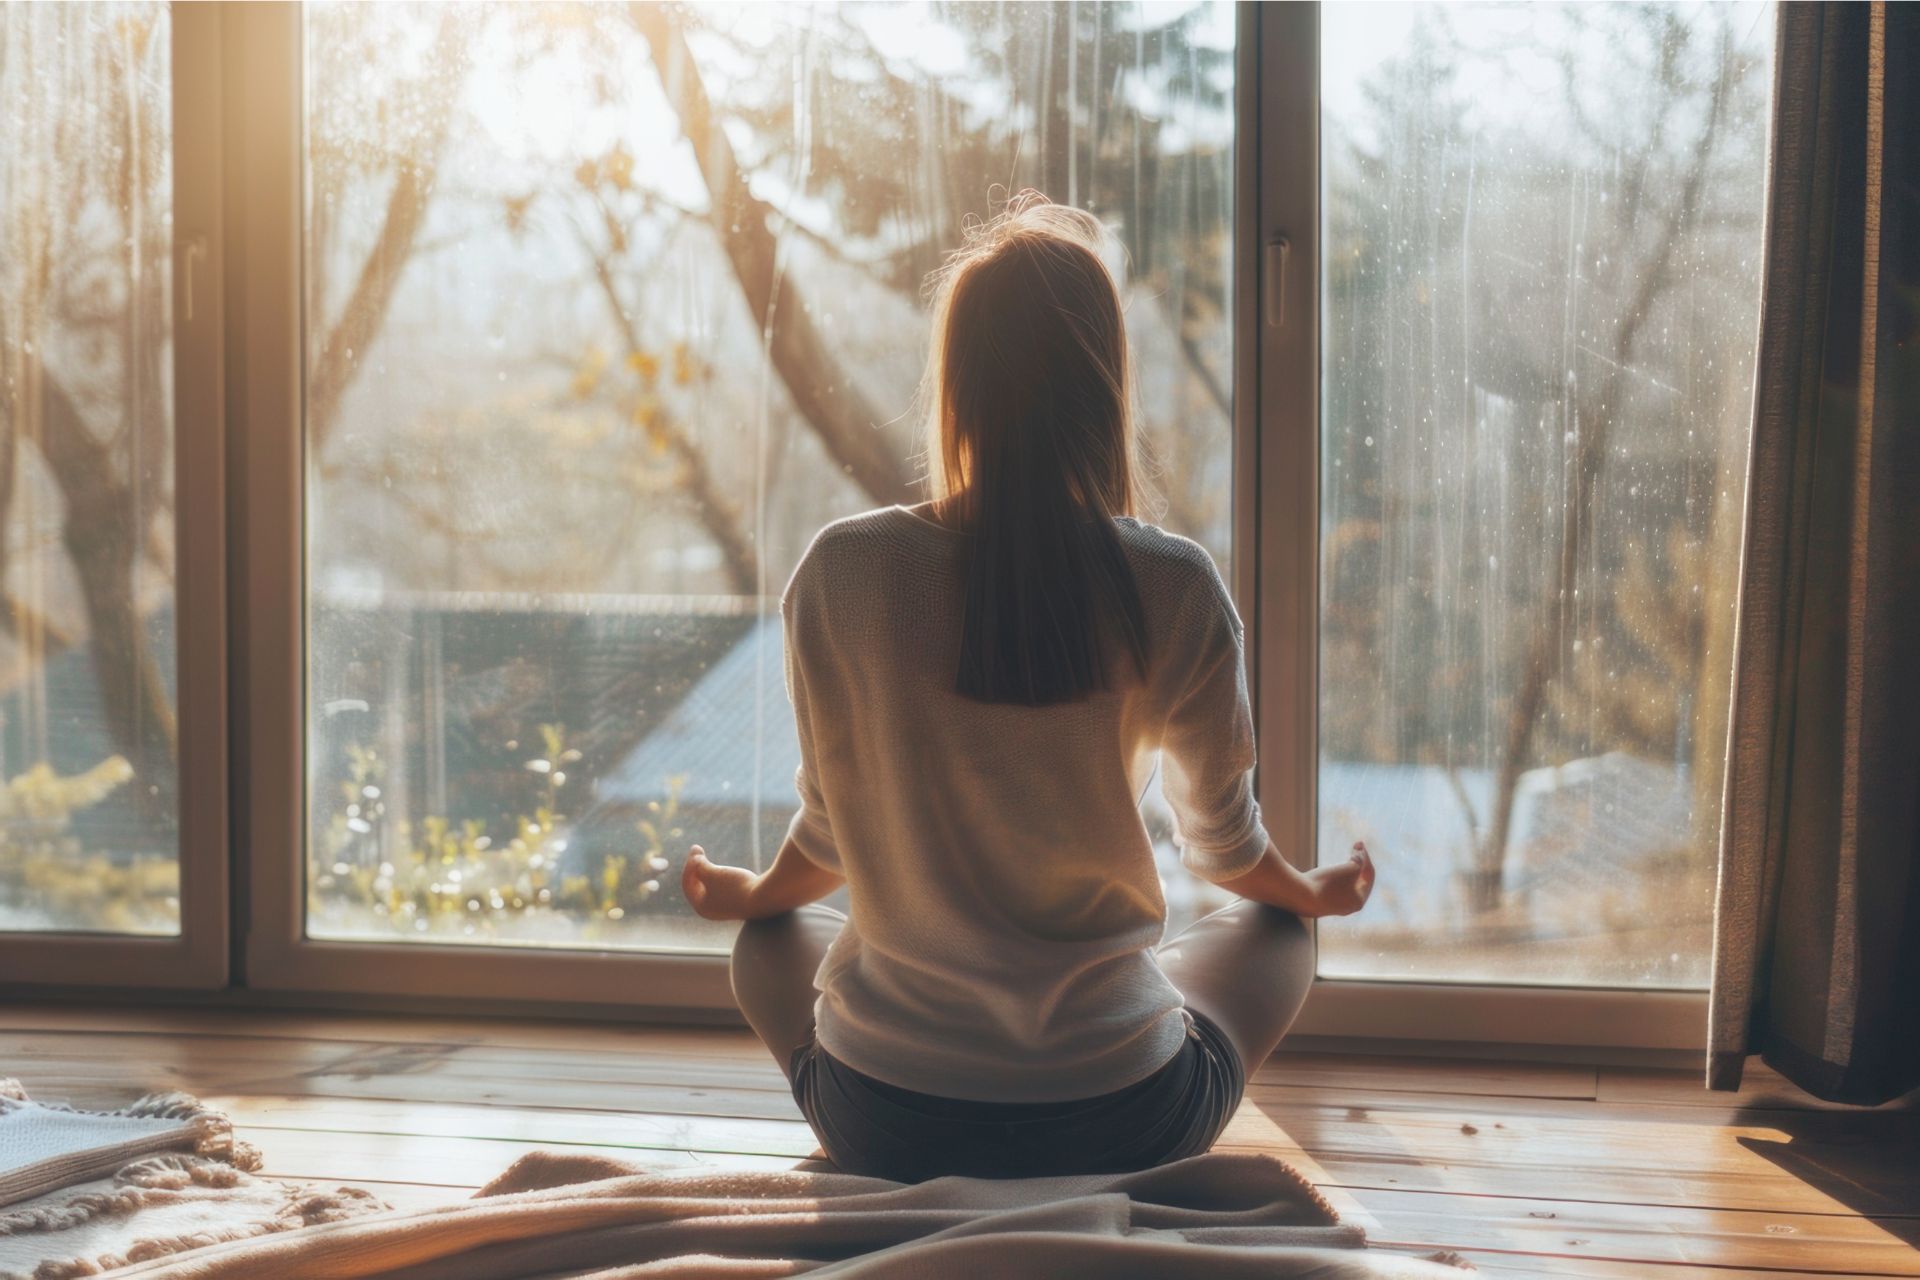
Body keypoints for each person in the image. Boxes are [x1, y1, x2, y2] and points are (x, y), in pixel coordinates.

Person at [681, 192, 1375, 1183]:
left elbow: (831, 829)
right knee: (1276, 935)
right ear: (1105, 388)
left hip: (888, 1124)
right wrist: (1308, 891)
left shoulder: (842, 570)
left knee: (766, 945)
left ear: (955, 384)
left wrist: (749, 892)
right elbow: (1225, 847)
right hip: (1120, 1120)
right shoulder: (1174, 583)